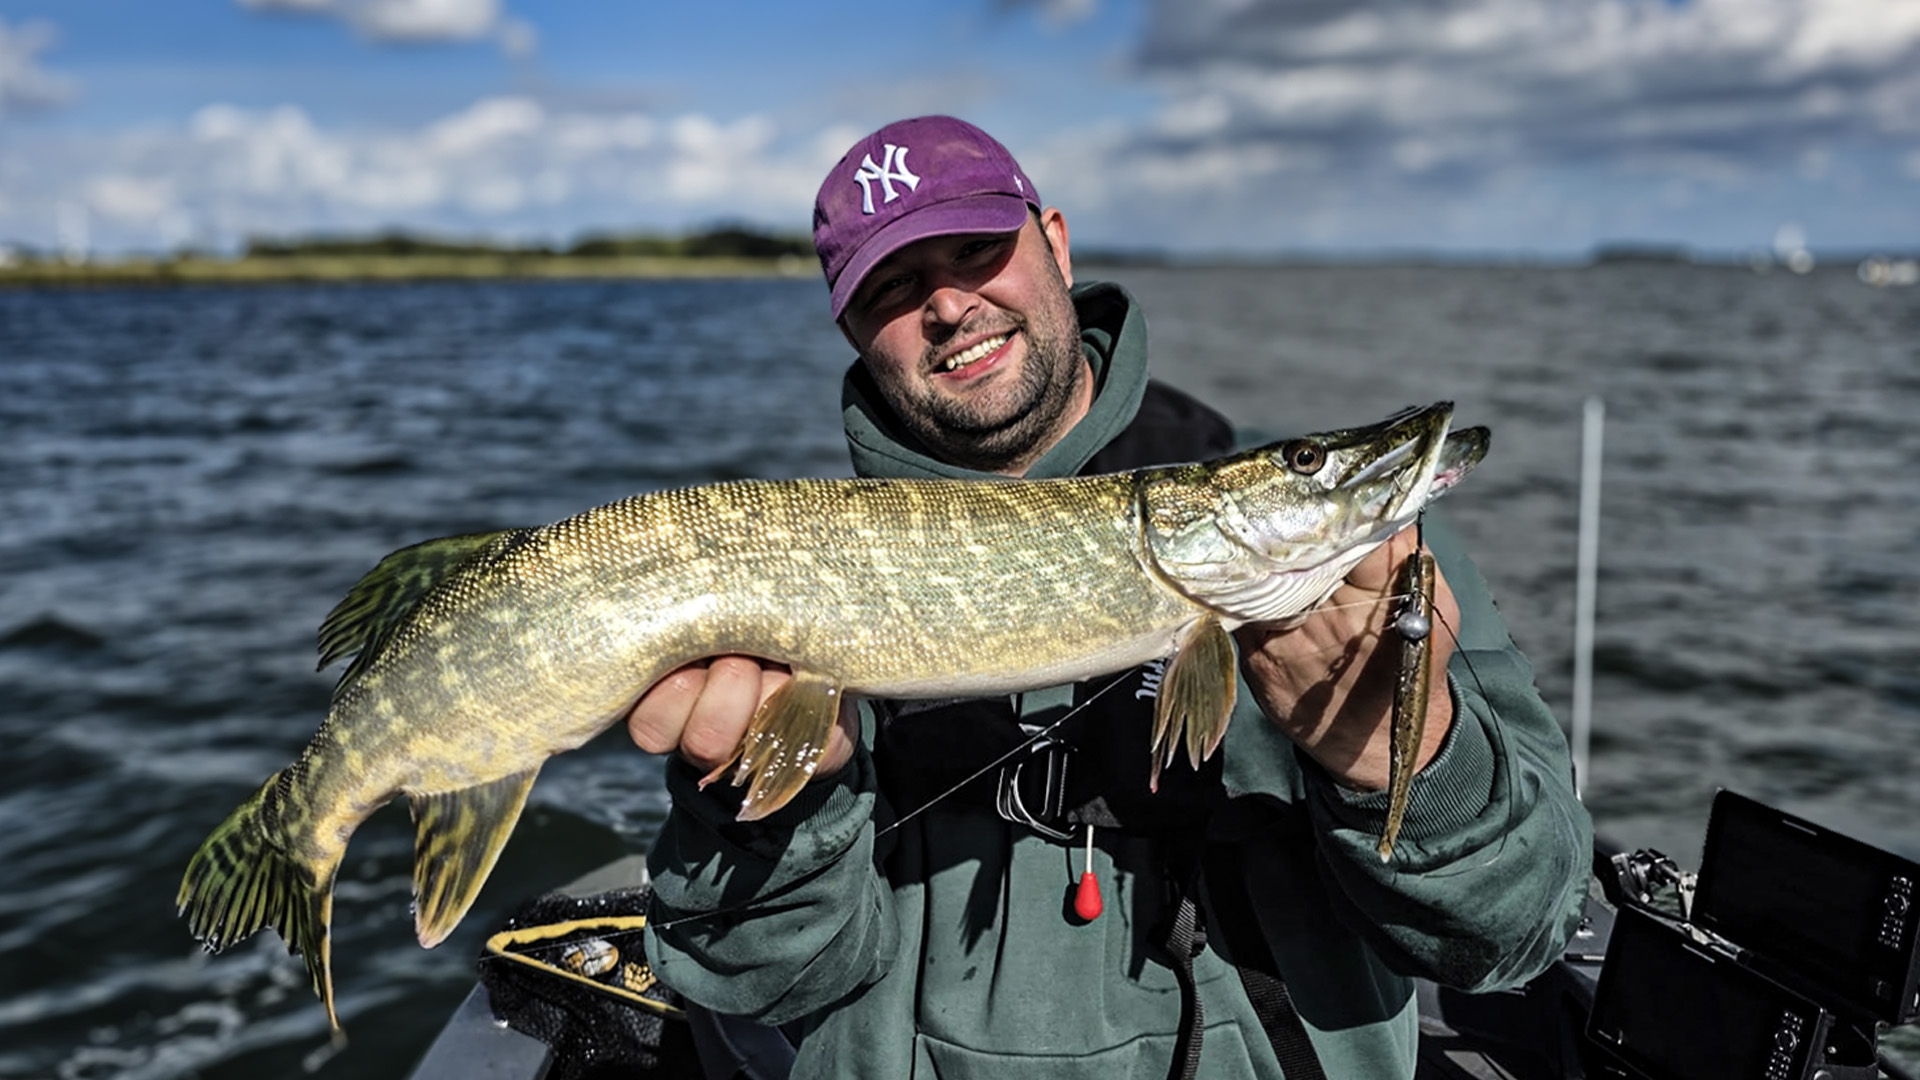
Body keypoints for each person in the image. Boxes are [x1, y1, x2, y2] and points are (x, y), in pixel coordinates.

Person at [629, 115, 1592, 1079]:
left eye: (976, 250)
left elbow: (1520, 936)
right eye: (895, 286)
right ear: (850, 328)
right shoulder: (804, 559)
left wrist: (1408, 764)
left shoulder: (1368, 570)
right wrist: (769, 811)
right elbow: (758, 985)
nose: (951, 304)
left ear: (1053, 242)